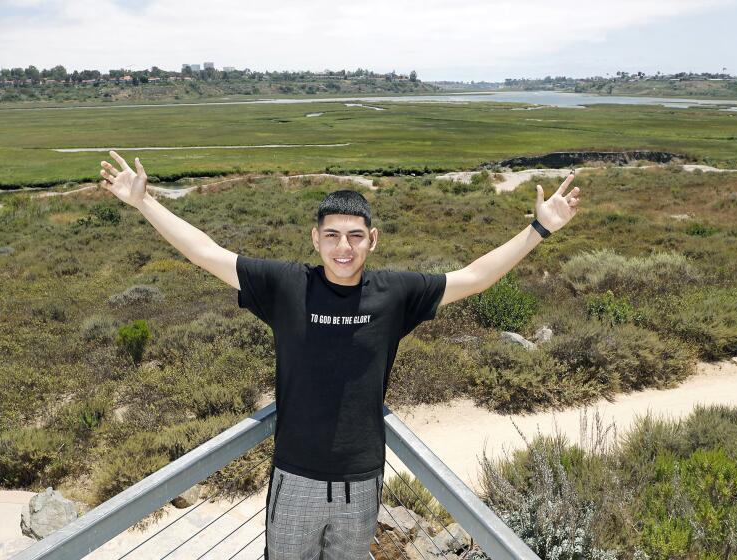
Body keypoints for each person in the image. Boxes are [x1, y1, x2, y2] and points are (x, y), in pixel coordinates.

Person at [98, 151, 580, 560]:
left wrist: (539, 228)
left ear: (372, 239)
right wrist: (145, 204)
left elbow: (475, 276)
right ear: (315, 239)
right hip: (295, 477)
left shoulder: (395, 292)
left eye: (354, 236)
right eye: (331, 236)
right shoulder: (287, 286)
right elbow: (206, 251)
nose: (342, 247)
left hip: (361, 478)